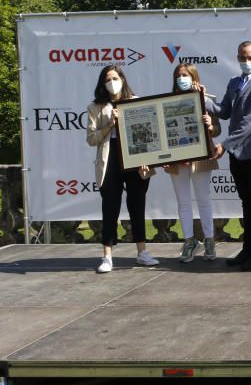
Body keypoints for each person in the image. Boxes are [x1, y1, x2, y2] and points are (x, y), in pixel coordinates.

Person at [204, 41, 251, 271]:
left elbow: (249, 124)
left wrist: (224, 145)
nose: (246, 61)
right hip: (237, 153)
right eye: (243, 57)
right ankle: (248, 249)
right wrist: (202, 99)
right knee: (247, 203)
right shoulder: (235, 82)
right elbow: (224, 112)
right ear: (237, 58)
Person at [86, 65, 157, 273]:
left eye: (115, 78)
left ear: (123, 80)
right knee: (110, 206)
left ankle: (142, 252)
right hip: (110, 159)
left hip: (135, 157)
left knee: (137, 204)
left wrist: (148, 158)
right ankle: (107, 256)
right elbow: (91, 139)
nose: (112, 82)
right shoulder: (95, 107)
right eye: (108, 79)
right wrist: (110, 124)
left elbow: (148, 135)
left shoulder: (136, 102)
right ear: (102, 83)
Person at [165, 63, 220, 263]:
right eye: (179, 76)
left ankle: (210, 241)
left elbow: (217, 130)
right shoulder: (167, 102)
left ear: (194, 77)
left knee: (204, 200)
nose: (182, 79)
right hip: (177, 158)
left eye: (186, 75)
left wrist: (210, 125)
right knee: (183, 202)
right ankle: (189, 241)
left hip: (201, 157)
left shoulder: (207, 100)